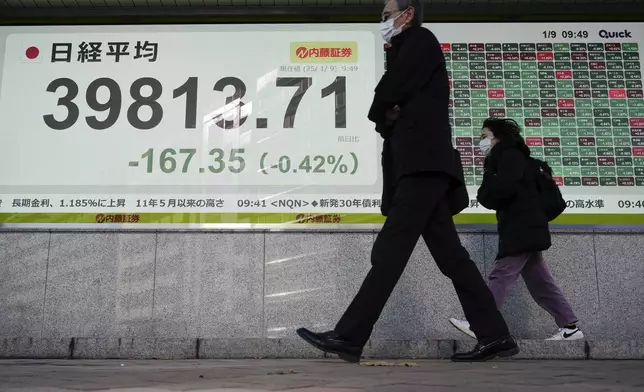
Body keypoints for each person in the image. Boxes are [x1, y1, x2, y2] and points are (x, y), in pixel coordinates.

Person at [295, 0, 518, 363]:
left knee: (390, 250)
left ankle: (350, 336)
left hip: (422, 167)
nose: (382, 21)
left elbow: (387, 92)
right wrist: (388, 111)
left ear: (407, 13)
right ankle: (496, 336)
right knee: (453, 259)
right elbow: (388, 108)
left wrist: (387, 108)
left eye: (386, 15)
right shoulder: (404, 50)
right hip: (420, 170)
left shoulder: (420, 41)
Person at [448, 118, 584, 341]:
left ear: (498, 137)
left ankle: (481, 323)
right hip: (527, 228)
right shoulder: (514, 157)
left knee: (501, 275)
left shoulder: (508, 156)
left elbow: (502, 191)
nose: (481, 141)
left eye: (485, 136)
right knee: (541, 283)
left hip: (520, 229)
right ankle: (570, 328)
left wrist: (486, 189)